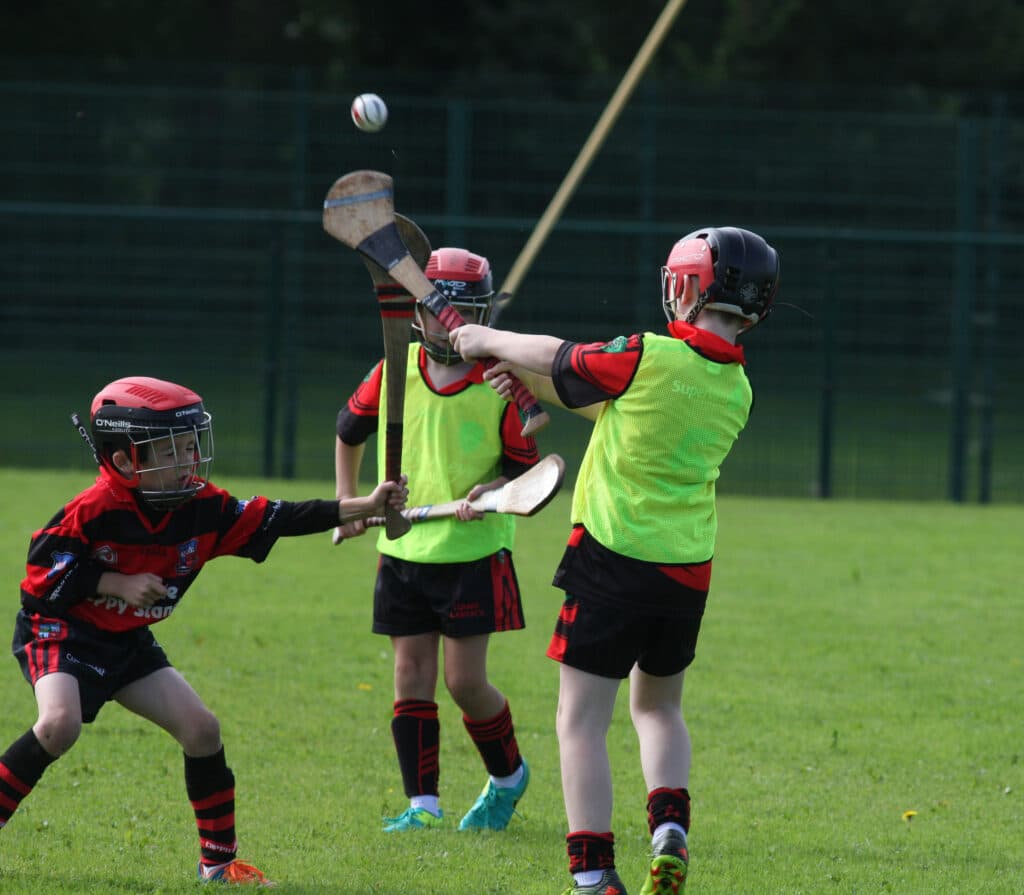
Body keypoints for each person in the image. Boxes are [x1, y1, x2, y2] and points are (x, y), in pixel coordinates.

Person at [451, 227, 780, 895]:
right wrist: (525, 381)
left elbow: (564, 356)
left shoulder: (646, 352)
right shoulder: (736, 386)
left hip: (610, 559)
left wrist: (488, 340)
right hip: (686, 572)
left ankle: (594, 871)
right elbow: (604, 401)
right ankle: (669, 827)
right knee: (658, 708)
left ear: (687, 287)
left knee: (579, 720)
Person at [1, 376, 407, 888]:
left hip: (127, 642)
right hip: (62, 633)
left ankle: (217, 864)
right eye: (172, 449)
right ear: (125, 460)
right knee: (60, 725)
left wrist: (366, 505)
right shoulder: (94, 510)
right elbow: (41, 579)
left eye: (191, 445)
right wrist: (114, 582)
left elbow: (281, 516)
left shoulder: (202, 506)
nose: (189, 460)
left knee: (202, 729)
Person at [334, 247, 538, 833]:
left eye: (470, 314)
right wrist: (349, 501)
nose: (456, 326)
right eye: (444, 313)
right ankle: (422, 806)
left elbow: (526, 475)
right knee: (410, 676)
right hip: (402, 547)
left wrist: (491, 491)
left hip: (472, 552)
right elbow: (348, 433)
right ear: (417, 314)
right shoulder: (392, 371)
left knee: (464, 682)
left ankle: (508, 778)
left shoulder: (500, 383)